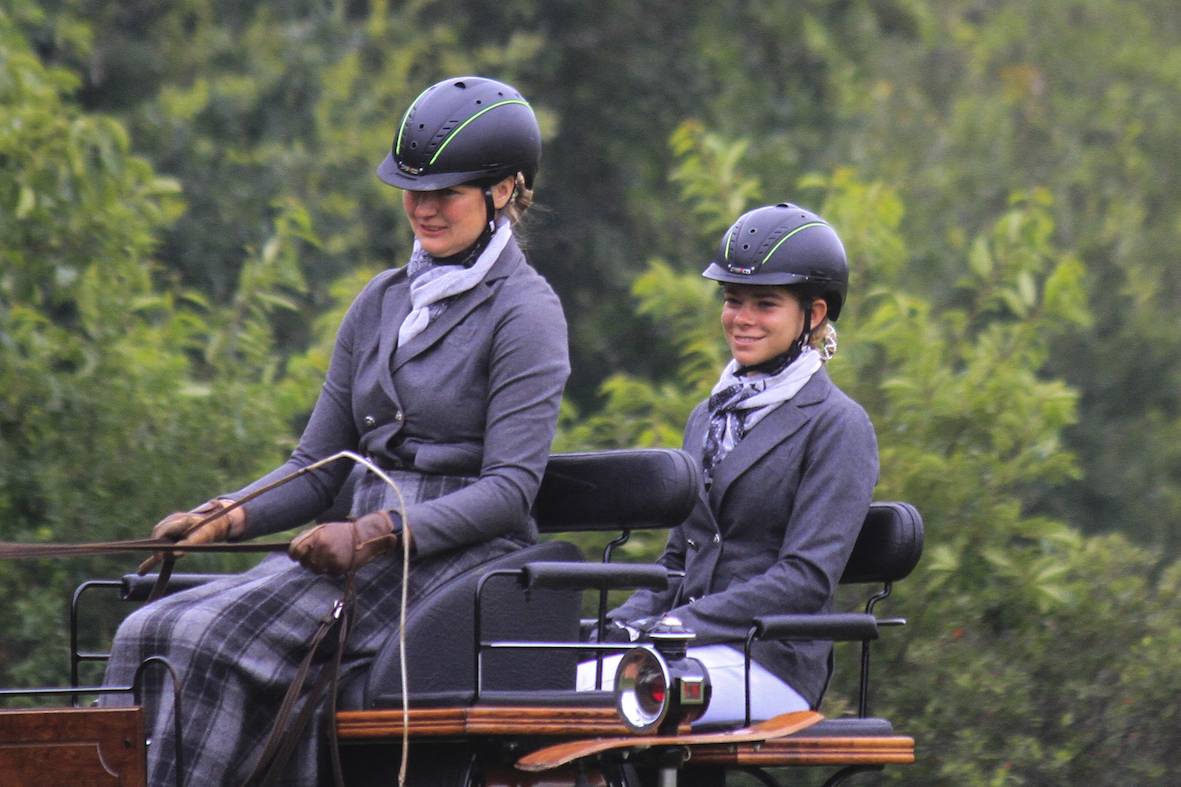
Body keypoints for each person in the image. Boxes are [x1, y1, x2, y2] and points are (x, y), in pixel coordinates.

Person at [102, 75, 569, 786]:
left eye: (444, 192)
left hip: (451, 554)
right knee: (147, 629)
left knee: (204, 638)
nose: (422, 208)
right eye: (411, 191)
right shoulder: (381, 301)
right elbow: (317, 464)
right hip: (351, 544)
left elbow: (509, 491)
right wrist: (224, 516)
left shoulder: (526, 312)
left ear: (503, 190)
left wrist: (378, 530)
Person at [579, 202, 878, 727]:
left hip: (771, 659)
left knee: (592, 695)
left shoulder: (838, 425)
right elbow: (678, 561)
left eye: (765, 304)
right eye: (733, 300)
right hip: (682, 649)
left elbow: (805, 579)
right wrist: (615, 626)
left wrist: (675, 626)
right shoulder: (707, 417)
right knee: (550, 676)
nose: (741, 318)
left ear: (814, 314)